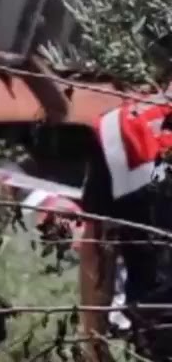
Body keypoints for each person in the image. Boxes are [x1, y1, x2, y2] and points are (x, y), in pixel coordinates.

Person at [77, 99, 172, 362]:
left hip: (156, 325)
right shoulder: (116, 131)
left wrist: (94, 342)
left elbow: (98, 248)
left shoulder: (118, 129)